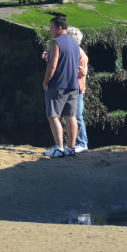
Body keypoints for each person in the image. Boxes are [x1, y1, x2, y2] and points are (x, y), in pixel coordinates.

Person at [41, 15, 80, 157]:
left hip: (58, 85)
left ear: (59, 28)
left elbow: (53, 66)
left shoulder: (56, 43)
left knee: (53, 116)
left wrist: (45, 82)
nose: (50, 30)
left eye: (51, 28)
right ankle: (71, 147)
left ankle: (59, 147)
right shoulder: (75, 43)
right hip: (73, 85)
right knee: (71, 116)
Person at [67, 26, 90, 152]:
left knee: (77, 116)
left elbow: (82, 72)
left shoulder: (80, 53)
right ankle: (74, 143)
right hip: (70, 87)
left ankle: (82, 143)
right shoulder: (71, 52)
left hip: (77, 89)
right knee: (71, 116)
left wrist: (66, 69)